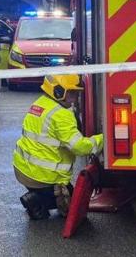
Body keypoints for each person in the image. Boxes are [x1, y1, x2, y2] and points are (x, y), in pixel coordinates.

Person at [13, 74, 103, 220]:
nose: (75, 99)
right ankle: (35, 201)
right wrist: (102, 138)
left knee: (68, 198)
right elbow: (80, 147)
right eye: (72, 93)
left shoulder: (40, 103)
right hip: (41, 176)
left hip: (23, 170)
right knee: (73, 206)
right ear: (58, 91)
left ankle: (39, 197)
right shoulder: (61, 115)